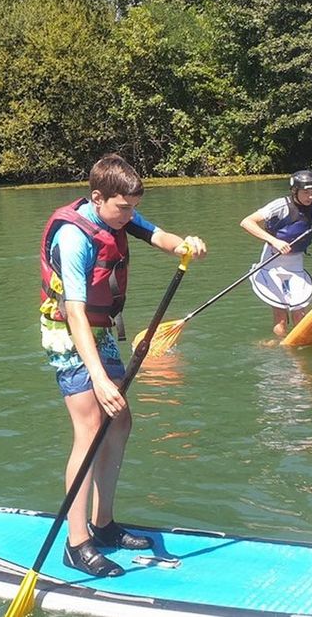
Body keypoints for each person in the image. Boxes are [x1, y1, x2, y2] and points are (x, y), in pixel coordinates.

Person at [38, 154, 208, 577]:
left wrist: (186, 245)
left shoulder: (117, 214)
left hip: (101, 329)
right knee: (91, 426)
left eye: (134, 207)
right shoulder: (75, 238)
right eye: (124, 208)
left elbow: (162, 237)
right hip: (68, 332)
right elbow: (74, 312)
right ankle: (76, 544)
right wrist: (97, 377)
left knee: (121, 420)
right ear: (99, 198)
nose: (131, 215)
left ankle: (104, 523)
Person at [240, 169, 312, 338]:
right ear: (294, 191)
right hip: (272, 262)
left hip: (296, 263)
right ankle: (281, 349)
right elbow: (246, 222)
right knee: (280, 316)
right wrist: (275, 241)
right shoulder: (279, 205)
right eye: (305, 192)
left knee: (299, 313)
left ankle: (301, 344)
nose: (310, 197)